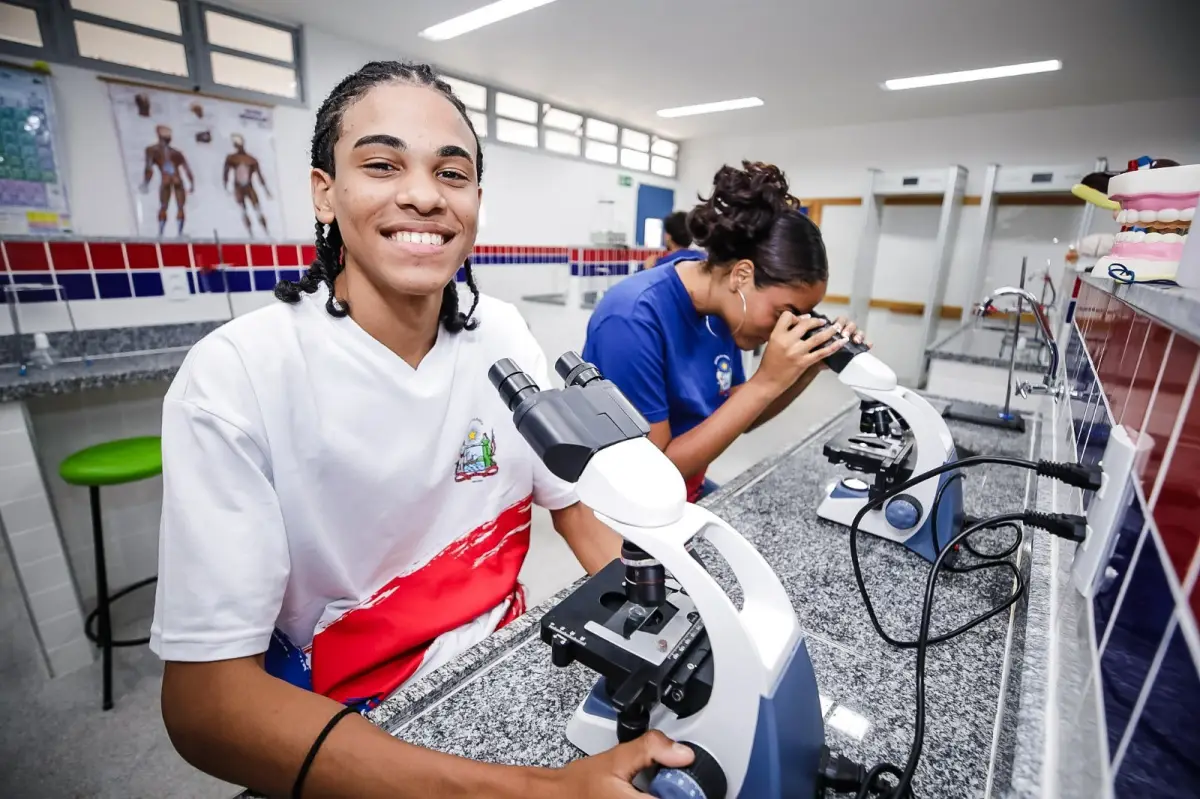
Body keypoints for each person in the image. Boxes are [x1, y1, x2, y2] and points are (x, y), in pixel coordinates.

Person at [151, 61, 693, 798]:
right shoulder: (238, 374)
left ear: (474, 198)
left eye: (452, 172)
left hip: (509, 663)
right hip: (348, 724)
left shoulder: (502, 332)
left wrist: (665, 626)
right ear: (324, 192)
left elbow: (571, 505)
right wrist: (543, 790)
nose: (422, 194)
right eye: (381, 164)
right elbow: (207, 704)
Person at [583, 161, 866, 502]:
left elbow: (741, 417)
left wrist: (807, 368)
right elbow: (653, 471)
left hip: (686, 489)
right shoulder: (631, 319)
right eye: (784, 313)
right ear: (742, 276)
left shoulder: (724, 310)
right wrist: (765, 382)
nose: (786, 326)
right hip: (631, 508)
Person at [140, 124, 194, 238]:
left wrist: (146, 183)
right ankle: (179, 232)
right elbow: (187, 169)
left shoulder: (152, 150)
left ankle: (161, 232)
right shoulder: (176, 152)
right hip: (177, 179)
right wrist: (191, 183)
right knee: (180, 207)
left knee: (164, 206)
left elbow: (149, 169)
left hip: (166, 179)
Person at [224, 133, 274, 237]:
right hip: (239, 188)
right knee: (244, 210)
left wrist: (266, 190)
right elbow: (226, 173)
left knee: (257, 209)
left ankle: (265, 231)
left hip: (248, 187)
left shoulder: (251, 159)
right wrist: (226, 186)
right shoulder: (232, 158)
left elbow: (260, 176)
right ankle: (251, 233)